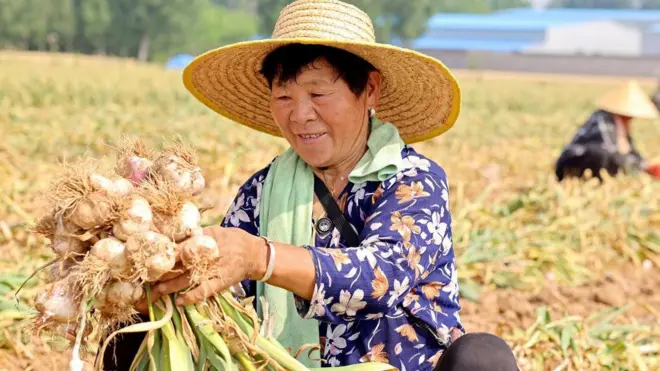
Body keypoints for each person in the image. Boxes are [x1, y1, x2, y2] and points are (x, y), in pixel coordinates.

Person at [103, 1, 519, 370]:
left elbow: (381, 275)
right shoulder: (263, 190)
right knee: (133, 333)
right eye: (283, 98)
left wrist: (260, 258)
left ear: (369, 89)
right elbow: (223, 292)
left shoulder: (414, 181)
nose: (300, 115)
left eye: (318, 93)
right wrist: (152, 279)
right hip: (284, 365)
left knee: (482, 357)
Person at [555, 80, 660, 182]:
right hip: (573, 161)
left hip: (596, 160)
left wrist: (645, 166)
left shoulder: (621, 125)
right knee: (601, 154)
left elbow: (630, 151)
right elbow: (612, 151)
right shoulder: (603, 118)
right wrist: (638, 166)